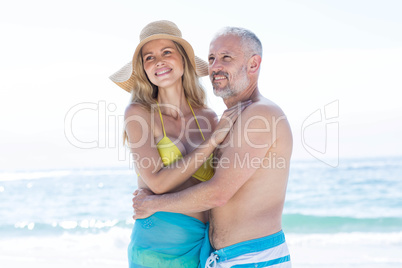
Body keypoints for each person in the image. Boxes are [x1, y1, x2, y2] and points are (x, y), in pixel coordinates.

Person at [132, 27, 293, 268]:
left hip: (254, 259)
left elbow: (218, 193)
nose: (215, 66)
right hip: (219, 257)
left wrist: (154, 204)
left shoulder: (261, 114)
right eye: (211, 59)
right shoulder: (228, 120)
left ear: (253, 64)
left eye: (226, 57)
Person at [109, 21, 245, 268]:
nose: (158, 61)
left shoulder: (210, 119)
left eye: (166, 52)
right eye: (149, 57)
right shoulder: (139, 114)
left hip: (204, 243)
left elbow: (224, 186)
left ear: (184, 61)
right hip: (157, 245)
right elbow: (158, 184)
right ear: (144, 69)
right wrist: (212, 141)